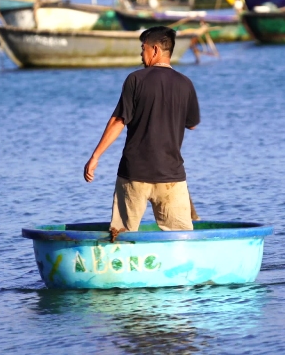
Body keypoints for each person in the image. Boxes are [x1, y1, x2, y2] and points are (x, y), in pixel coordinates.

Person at [84, 26, 200, 237]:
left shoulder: (135, 80)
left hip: (134, 174)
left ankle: (120, 268)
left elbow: (119, 121)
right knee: (182, 238)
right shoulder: (186, 84)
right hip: (171, 175)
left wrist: (95, 156)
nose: (141, 53)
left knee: (122, 235)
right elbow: (192, 124)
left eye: (142, 48)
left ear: (154, 50)